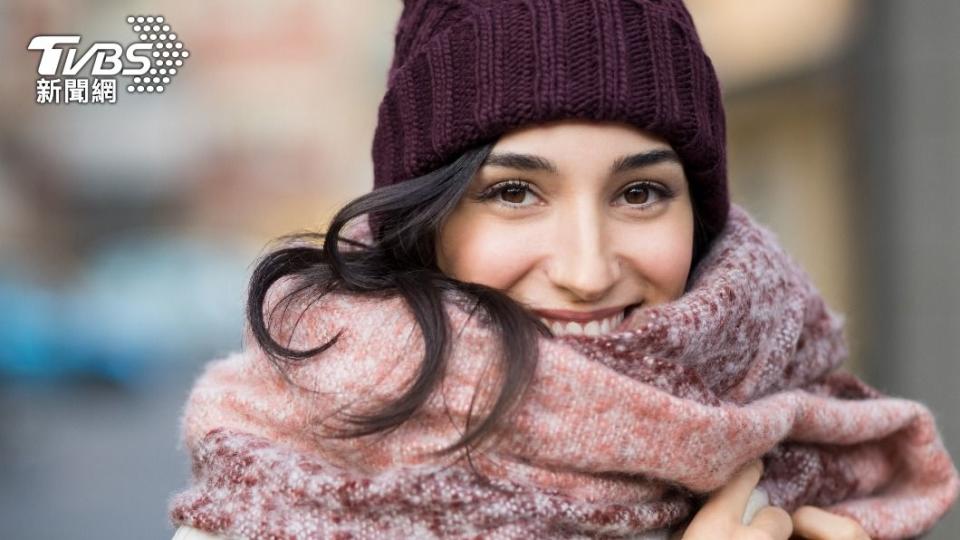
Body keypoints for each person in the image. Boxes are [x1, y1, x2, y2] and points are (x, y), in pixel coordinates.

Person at [169, 0, 958, 538]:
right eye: (514, 192)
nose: (587, 268)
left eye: (641, 192)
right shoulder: (282, 487)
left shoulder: (813, 444)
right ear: (429, 219)